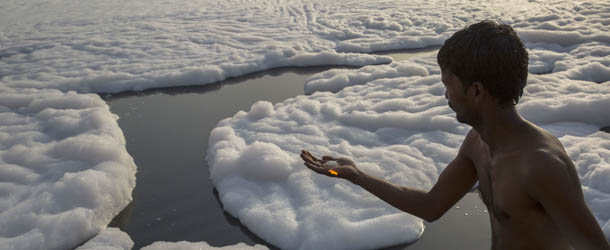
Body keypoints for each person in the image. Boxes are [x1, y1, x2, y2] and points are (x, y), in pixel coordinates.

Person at [301, 20, 610, 250]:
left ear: (476, 91)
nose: (445, 94)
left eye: (448, 84)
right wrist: (357, 176)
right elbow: (431, 206)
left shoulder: (541, 166)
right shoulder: (478, 143)